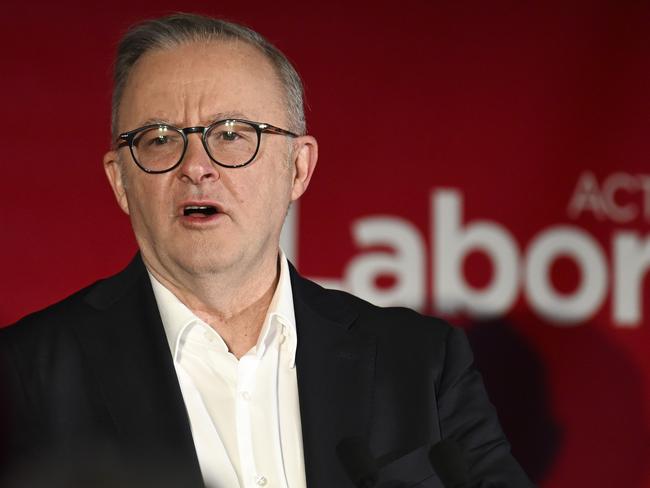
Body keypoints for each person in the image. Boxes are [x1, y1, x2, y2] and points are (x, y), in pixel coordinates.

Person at [0, 13, 533, 488]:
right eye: (160, 138)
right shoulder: (24, 376)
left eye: (232, 134)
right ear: (120, 181)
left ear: (297, 167)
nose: (196, 166)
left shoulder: (420, 363)